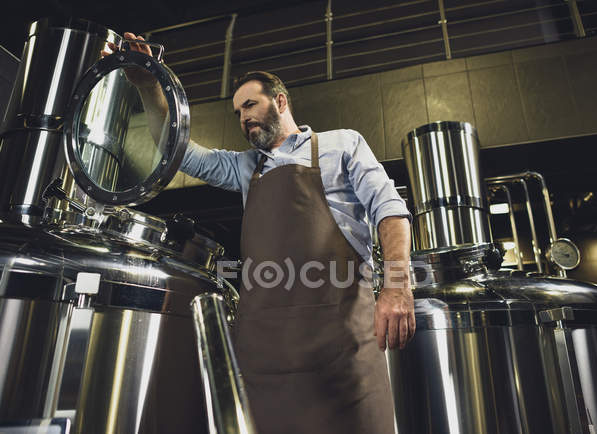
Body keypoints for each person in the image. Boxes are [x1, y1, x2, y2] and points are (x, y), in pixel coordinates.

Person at [117, 33, 415, 434]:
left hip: (343, 358)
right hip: (265, 365)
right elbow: (176, 149)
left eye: (250, 104)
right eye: (238, 112)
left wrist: (397, 287)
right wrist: (149, 84)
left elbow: (390, 211)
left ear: (280, 101)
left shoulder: (341, 145)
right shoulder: (245, 169)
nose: (243, 118)